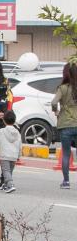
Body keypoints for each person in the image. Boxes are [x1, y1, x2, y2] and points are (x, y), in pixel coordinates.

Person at [51, 61, 77, 190]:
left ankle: (66, 181)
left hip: (65, 124)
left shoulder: (63, 88)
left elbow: (54, 102)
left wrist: (56, 111)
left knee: (66, 153)